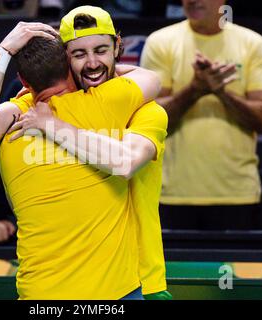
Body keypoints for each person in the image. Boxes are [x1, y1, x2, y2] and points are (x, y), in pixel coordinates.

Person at [0, 22, 162, 299]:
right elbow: (151, 78)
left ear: (23, 82)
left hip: (40, 294)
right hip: (116, 293)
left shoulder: (16, 117)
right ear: (72, 65)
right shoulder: (114, 102)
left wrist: (2, 51)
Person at [9, 6, 171, 300]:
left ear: (117, 47)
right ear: (63, 59)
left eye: (101, 50)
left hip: (138, 283)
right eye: (79, 54)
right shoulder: (36, 107)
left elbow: (126, 162)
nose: (93, 63)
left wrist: (51, 124)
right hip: (56, 287)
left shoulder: (146, 110)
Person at [140, 0, 262, 229]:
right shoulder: (160, 42)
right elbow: (149, 120)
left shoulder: (253, 44)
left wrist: (221, 92)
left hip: (237, 194)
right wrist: (195, 90)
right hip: (171, 194)